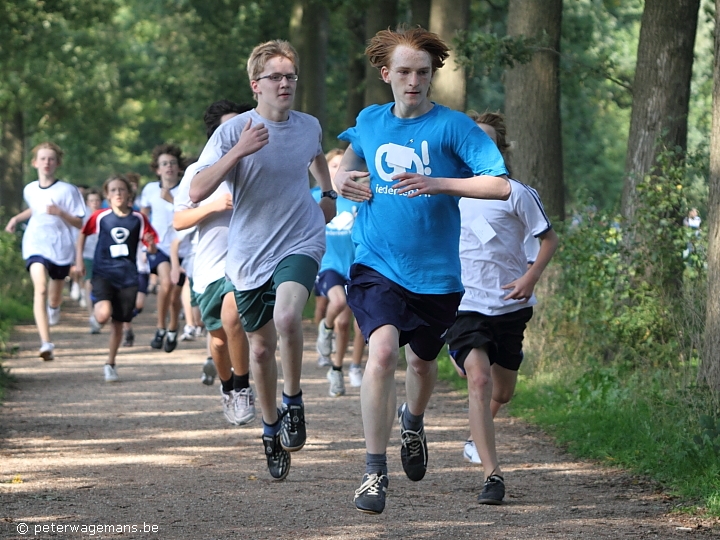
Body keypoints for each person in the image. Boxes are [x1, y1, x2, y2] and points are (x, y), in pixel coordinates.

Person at [333, 26, 511, 515]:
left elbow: (499, 186)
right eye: (405, 72)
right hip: (375, 261)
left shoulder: (454, 127)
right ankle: (373, 472)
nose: (414, 80)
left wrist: (439, 182)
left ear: (432, 76)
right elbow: (346, 162)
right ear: (387, 74)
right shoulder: (370, 121)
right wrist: (340, 180)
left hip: (436, 276)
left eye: (423, 73)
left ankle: (412, 421)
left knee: (422, 363)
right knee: (383, 351)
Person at [190, 40, 336, 480]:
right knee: (259, 347)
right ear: (256, 85)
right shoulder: (232, 133)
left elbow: (315, 158)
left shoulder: (309, 125)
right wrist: (238, 152)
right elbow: (196, 190)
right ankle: (270, 429)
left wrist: (326, 194)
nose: (285, 83)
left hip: (300, 237)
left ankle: (293, 402)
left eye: (290, 76)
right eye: (276, 77)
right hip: (250, 252)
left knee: (289, 318)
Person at [445, 111, 559, 504]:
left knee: (503, 391)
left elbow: (548, 240)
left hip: (510, 304)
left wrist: (530, 278)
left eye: (488, 141)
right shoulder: (449, 192)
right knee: (478, 379)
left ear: (500, 149)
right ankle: (492, 476)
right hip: (465, 304)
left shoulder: (516, 193)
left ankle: (479, 430)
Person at [174, 98, 257, 426]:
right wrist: (213, 206)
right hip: (207, 267)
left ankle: (242, 388)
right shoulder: (198, 172)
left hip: (246, 263)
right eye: (229, 128)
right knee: (219, 338)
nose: (237, 133)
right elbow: (179, 221)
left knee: (233, 318)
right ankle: (227, 386)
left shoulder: (255, 166)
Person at [4, 142, 85, 360]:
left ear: (57, 163)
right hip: (35, 244)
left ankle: (54, 306)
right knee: (40, 289)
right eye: (42, 159)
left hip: (60, 247)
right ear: (34, 163)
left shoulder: (68, 190)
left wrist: (60, 213)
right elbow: (35, 208)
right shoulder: (29, 189)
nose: (46, 163)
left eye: (51, 159)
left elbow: (79, 223)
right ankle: (46, 343)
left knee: (53, 295)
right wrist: (16, 218)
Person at [75, 175, 158, 381]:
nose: (118, 193)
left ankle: (110, 363)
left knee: (118, 324)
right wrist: (78, 260)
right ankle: (95, 317)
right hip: (103, 273)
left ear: (129, 194)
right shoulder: (100, 216)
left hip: (128, 276)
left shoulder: (138, 218)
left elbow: (153, 247)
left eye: (122, 190)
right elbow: (83, 234)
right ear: (107, 195)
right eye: (113, 190)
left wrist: (150, 244)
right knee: (103, 315)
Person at [312, 148, 365, 396]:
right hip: (327, 265)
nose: (336, 170)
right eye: (332, 166)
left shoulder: (357, 197)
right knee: (338, 302)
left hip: (354, 266)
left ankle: (338, 370)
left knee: (347, 322)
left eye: (341, 166)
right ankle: (325, 326)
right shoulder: (314, 196)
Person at [139, 144, 185, 352]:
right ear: (157, 169)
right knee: (165, 283)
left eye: (173, 163)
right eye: (164, 164)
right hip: (159, 247)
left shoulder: (187, 187)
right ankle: (160, 327)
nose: (169, 167)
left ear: (179, 168)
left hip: (184, 248)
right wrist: (143, 241)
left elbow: (192, 213)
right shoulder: (149, 189)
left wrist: (172, 200)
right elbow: (142, 217)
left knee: (175, 294)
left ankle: (173, 327)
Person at [79, 188, 103, 331]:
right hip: (88, 254)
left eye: (97, 200)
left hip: (104, 256)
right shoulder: (83, 217)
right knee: (89, 285)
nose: (95, 203)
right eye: (92, 201)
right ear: (87, 203)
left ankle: (102, 312)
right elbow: (79, 237)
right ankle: (92, 317)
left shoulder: (106, 215)